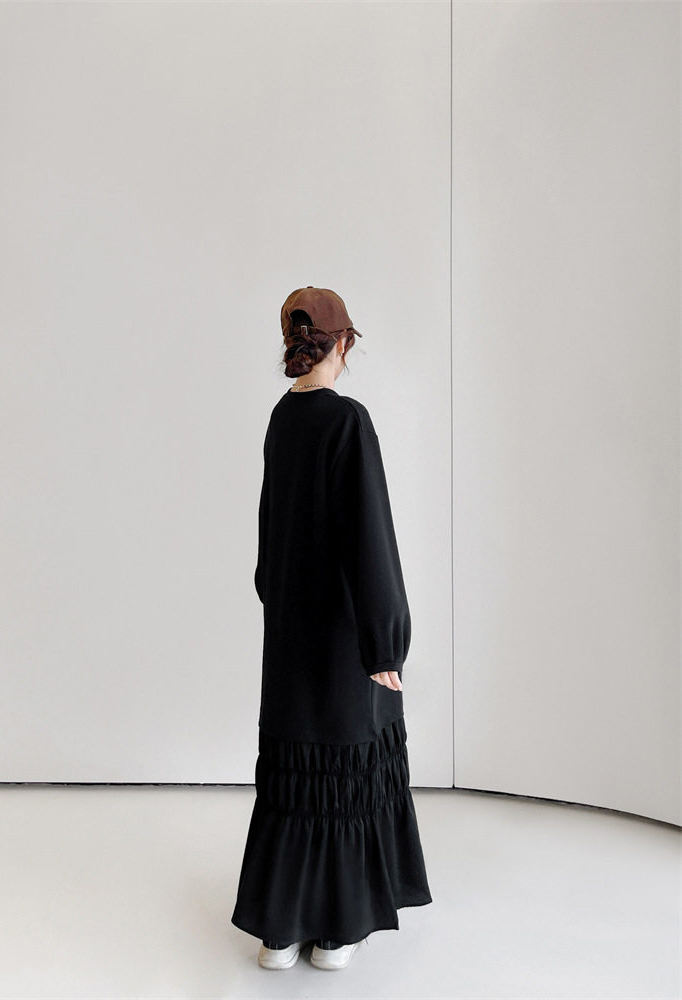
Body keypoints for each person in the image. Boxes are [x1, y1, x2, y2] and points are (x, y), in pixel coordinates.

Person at [231, 286, 433, 972]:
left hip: (292, 631)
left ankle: (280, 934)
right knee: (344, 766)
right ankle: (336, 933)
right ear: (341, 341)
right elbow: (370, 539)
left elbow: (269, 531)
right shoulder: (348, 420)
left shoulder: (282, 419)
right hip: (346, 639)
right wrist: (385, 642)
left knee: (296, 774)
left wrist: (279, 601)